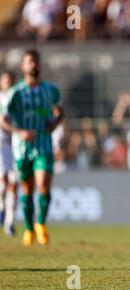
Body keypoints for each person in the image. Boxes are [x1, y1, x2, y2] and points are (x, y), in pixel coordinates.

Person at [0, 49, 64, 246]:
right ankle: (28, 229)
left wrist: (55, 123)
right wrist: (19, 132)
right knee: (26, 190)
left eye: (35, 62)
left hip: (44, 143)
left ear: (39, 65)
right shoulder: (15, 93)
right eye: (29, 62)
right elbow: (3, 120)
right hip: (22, 148)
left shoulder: (51, 90)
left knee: (44, 184)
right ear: (23, 67)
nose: (33, 65)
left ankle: (41, 225)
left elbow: (60, 111)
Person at [0, 71, 19, 237]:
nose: (8, 83)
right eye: (6, 80)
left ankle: (9, 221)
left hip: (17, 145)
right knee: (3, 181)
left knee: (15, 183)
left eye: (11, 81)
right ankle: (1, 209)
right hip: (1, 145)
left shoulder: (18, 99)